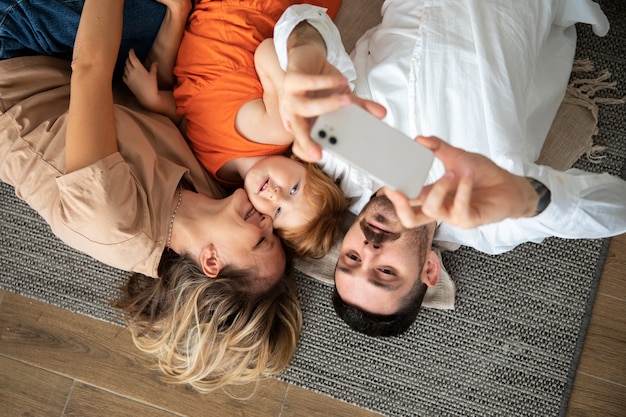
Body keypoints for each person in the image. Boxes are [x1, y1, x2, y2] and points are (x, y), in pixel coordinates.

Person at [271, 0, 626, 336]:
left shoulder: (340, 163)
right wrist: (524, 197)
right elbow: (615, 208)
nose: (369, 247)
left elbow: (304, 20)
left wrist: (303, 54)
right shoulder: (482, 221)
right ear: (429, 269)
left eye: (351, 256)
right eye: (385, 271)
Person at [0, 0, 301, 391]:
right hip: (88, 77)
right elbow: (157, 103)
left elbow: (90, 68)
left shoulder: (111, 217)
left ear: (211, 261)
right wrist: (176, 14)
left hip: (16, 54)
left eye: (262, 240)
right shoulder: (211, 198)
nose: (267, 218)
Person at [123, 0, 347, 258]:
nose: (275, 195)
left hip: (204, 15)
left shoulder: (218, 173)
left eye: (277, 212)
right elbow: (266, 51)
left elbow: (193, 111)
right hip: (245, 11)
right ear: (301, 161)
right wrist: (287, 91)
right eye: (294, 189)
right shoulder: (279, 130)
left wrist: (153, 100)